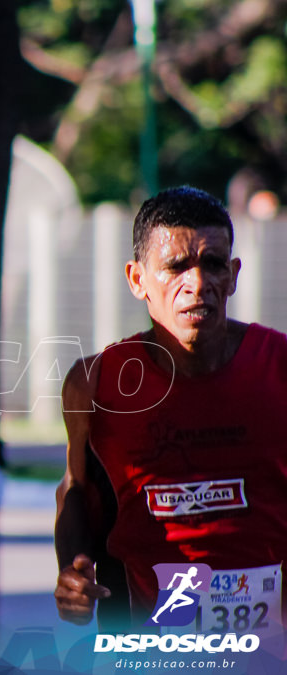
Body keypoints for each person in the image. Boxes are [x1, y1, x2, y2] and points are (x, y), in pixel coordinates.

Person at [54, 185, 287, 635]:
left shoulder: (280, 368)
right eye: (176, 267)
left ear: (234, 274)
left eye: (214, 264)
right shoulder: (95, 383)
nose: (198, 284)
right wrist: (72, 569)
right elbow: (75, 488)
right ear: (137, 279)